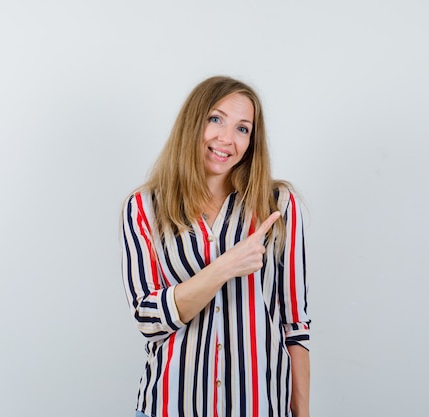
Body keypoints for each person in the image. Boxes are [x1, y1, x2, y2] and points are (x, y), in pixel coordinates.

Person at [120, 76, 310, 417]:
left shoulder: (277, 204)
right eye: (216, 119)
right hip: (170, 406)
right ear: (194, 121)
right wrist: (225, 267)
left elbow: (294, 326)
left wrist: (302, 414)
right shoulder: (145, 207)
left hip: (259, 407)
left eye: (242, 129)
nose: (227, 138)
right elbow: (149, 318)